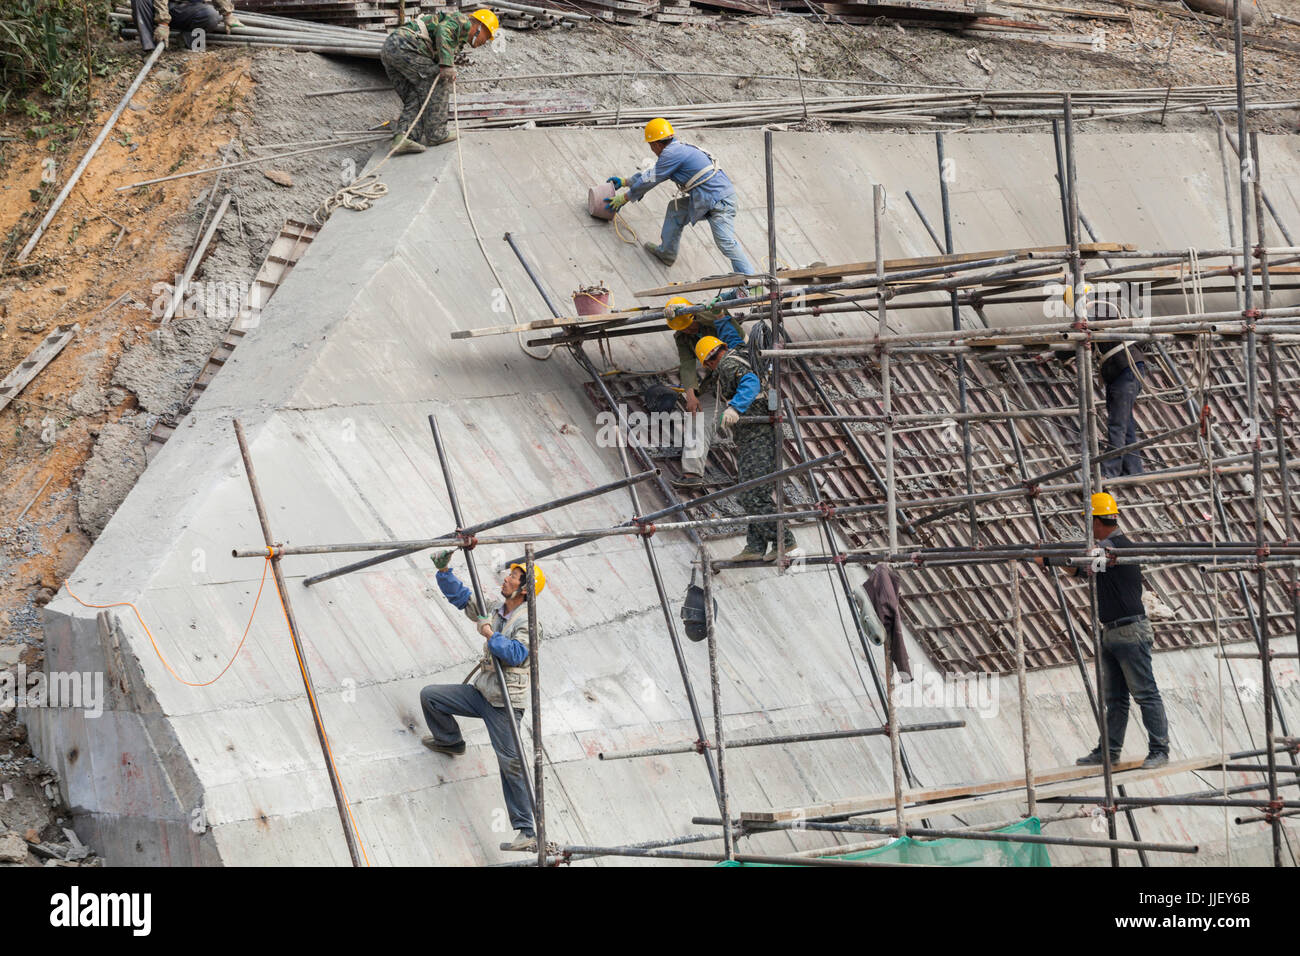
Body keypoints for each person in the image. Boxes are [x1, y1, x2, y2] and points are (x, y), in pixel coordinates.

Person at [1034, 492, 1169, 769]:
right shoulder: (1108, 551)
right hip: (1112, 632)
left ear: (1097, 521)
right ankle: (1108, 751)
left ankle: (1159, 751)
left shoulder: (1115, 547)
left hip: (1130, 631)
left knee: (1145, 693)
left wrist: (1048, 560)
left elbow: (1088, 560)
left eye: (1089, 523)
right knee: (1116, 698)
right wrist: (1056, 563)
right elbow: (1085, 570)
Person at [420, 550, 543, 852]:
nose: (507, 578)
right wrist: (444, 571)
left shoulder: (528, 624)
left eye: (514, 576)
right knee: (431, 697)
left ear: (525, 589)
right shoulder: (496, 611)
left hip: (504, 705)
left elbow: (516, 654)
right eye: (510, 574)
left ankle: (527, 831)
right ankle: (450, 741)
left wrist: (491, 635)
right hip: (482, 693)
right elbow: (463, 599)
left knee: (510, 763)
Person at [604, 118, 756, 276]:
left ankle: (751, 280)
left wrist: (625, 198)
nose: (652, 150)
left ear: (655, 144)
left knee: (725, 243)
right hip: (707, 198)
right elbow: (651, 174)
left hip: (719, 201)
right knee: (675, 210)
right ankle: (667, 253)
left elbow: (651, 179)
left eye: (651, 146)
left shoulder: (671, 154)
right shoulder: (676, 150)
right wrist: (625, 181)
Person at [695, 333, 797, 562]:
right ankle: (755, 545)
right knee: (750, 493)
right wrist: (721, 316)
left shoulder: (728, 365)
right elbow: (731, 332)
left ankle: (784, 540)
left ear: (709, 362)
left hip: (759, 437)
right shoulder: (739, 352)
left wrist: (735, 409)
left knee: (753, 495)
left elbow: (750, 382)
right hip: (756, 436)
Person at [380, 8, 497, 155]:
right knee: (441, 80)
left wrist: (446, 64)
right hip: (406, 46)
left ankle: (403, 138)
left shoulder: (457, 40)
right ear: (479, 27)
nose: (484, 42)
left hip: (391, 48)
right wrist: (446, 66)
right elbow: (444, 30)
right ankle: (437, 133)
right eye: (487, 37)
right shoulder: (463, 22)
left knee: (415, 95)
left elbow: (439, 43)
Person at [665, 293, 745, 487]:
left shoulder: (711, 317)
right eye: (683, 329)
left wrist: (718, 316)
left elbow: (739, 336)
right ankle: (692, 474)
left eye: (689, 326)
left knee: (753, 423)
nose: (689, 331)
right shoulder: (683, 336)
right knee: (698, 417)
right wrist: (690, 396)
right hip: (717, 382)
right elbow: (687, 365)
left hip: (739, 375)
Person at [133, 0, 241, 52]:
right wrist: (163, 22)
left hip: (188, 9)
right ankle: (150, 47)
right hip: (162, 8)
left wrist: (228, 14)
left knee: (211, 15)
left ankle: (187, 39)